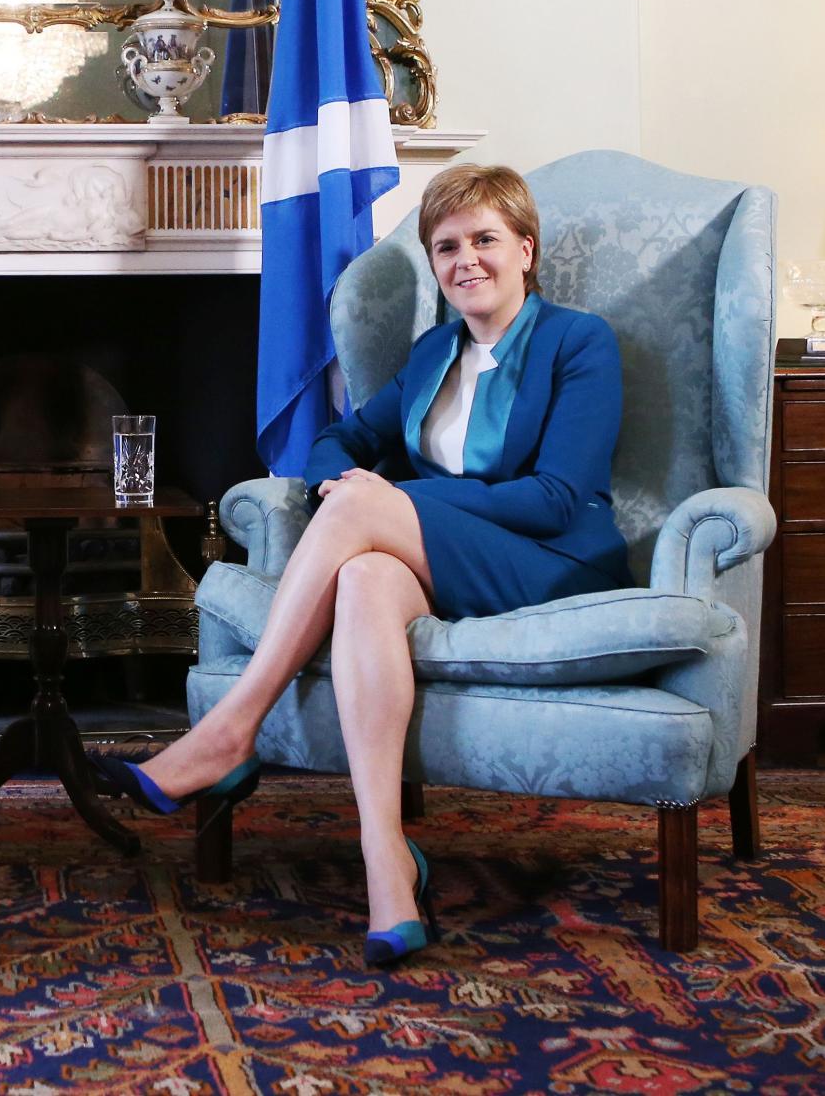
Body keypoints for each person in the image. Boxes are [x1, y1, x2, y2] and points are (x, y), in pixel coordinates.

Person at [91, 164, 626, 969]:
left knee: (365, 509)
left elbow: (554, 499)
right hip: (443, 552)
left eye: (484, 240)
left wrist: (391, 503)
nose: (465, 260)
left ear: (525, 248)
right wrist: (348, 484)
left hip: (546, 559)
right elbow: (341, 440)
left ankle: (231, 729)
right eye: (446, 246)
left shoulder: (579, 342)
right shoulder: (435, 352)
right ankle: (387, 859)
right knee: (364, 574)